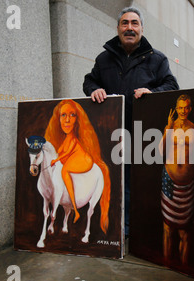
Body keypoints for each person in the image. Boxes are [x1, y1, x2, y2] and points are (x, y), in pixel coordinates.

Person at [83, 7, 179, 234]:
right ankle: (114, 229)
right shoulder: (103, 58)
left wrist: (151, 92)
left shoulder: (157, 59)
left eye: (134, 23)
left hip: (142, 135)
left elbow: (172, 86)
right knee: (113, 182)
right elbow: (89, 82)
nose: (129, 28)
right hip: (110, 135)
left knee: (136, 184)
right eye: (124, 23)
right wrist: (95, 90)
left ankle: (132, 230)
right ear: (117, 29)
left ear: (142, 29)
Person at [45, 99, 111, 232]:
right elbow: (61, 152)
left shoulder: (73, 138)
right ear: (58, 118)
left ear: (77, 119)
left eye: (72, 115)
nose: (67, 120)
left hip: (83, 159)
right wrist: (55, 159)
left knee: (64, 171)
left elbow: (66, 153)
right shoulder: (66, 138)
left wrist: (57, 160)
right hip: (73, 158)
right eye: (63, 115)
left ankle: (75, 208)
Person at [159, 95, 194, 266]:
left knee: (185, 231)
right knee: (167, 229)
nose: (183, 111)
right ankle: (167, 264)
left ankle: (184, 269)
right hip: (169, 182)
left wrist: (192, 167)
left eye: (186, 107)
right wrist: (168, 128)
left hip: (187, 186)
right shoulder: (170, 128)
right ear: (176, 109)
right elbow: (161, 151)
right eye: (180, 108)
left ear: (190, 109)